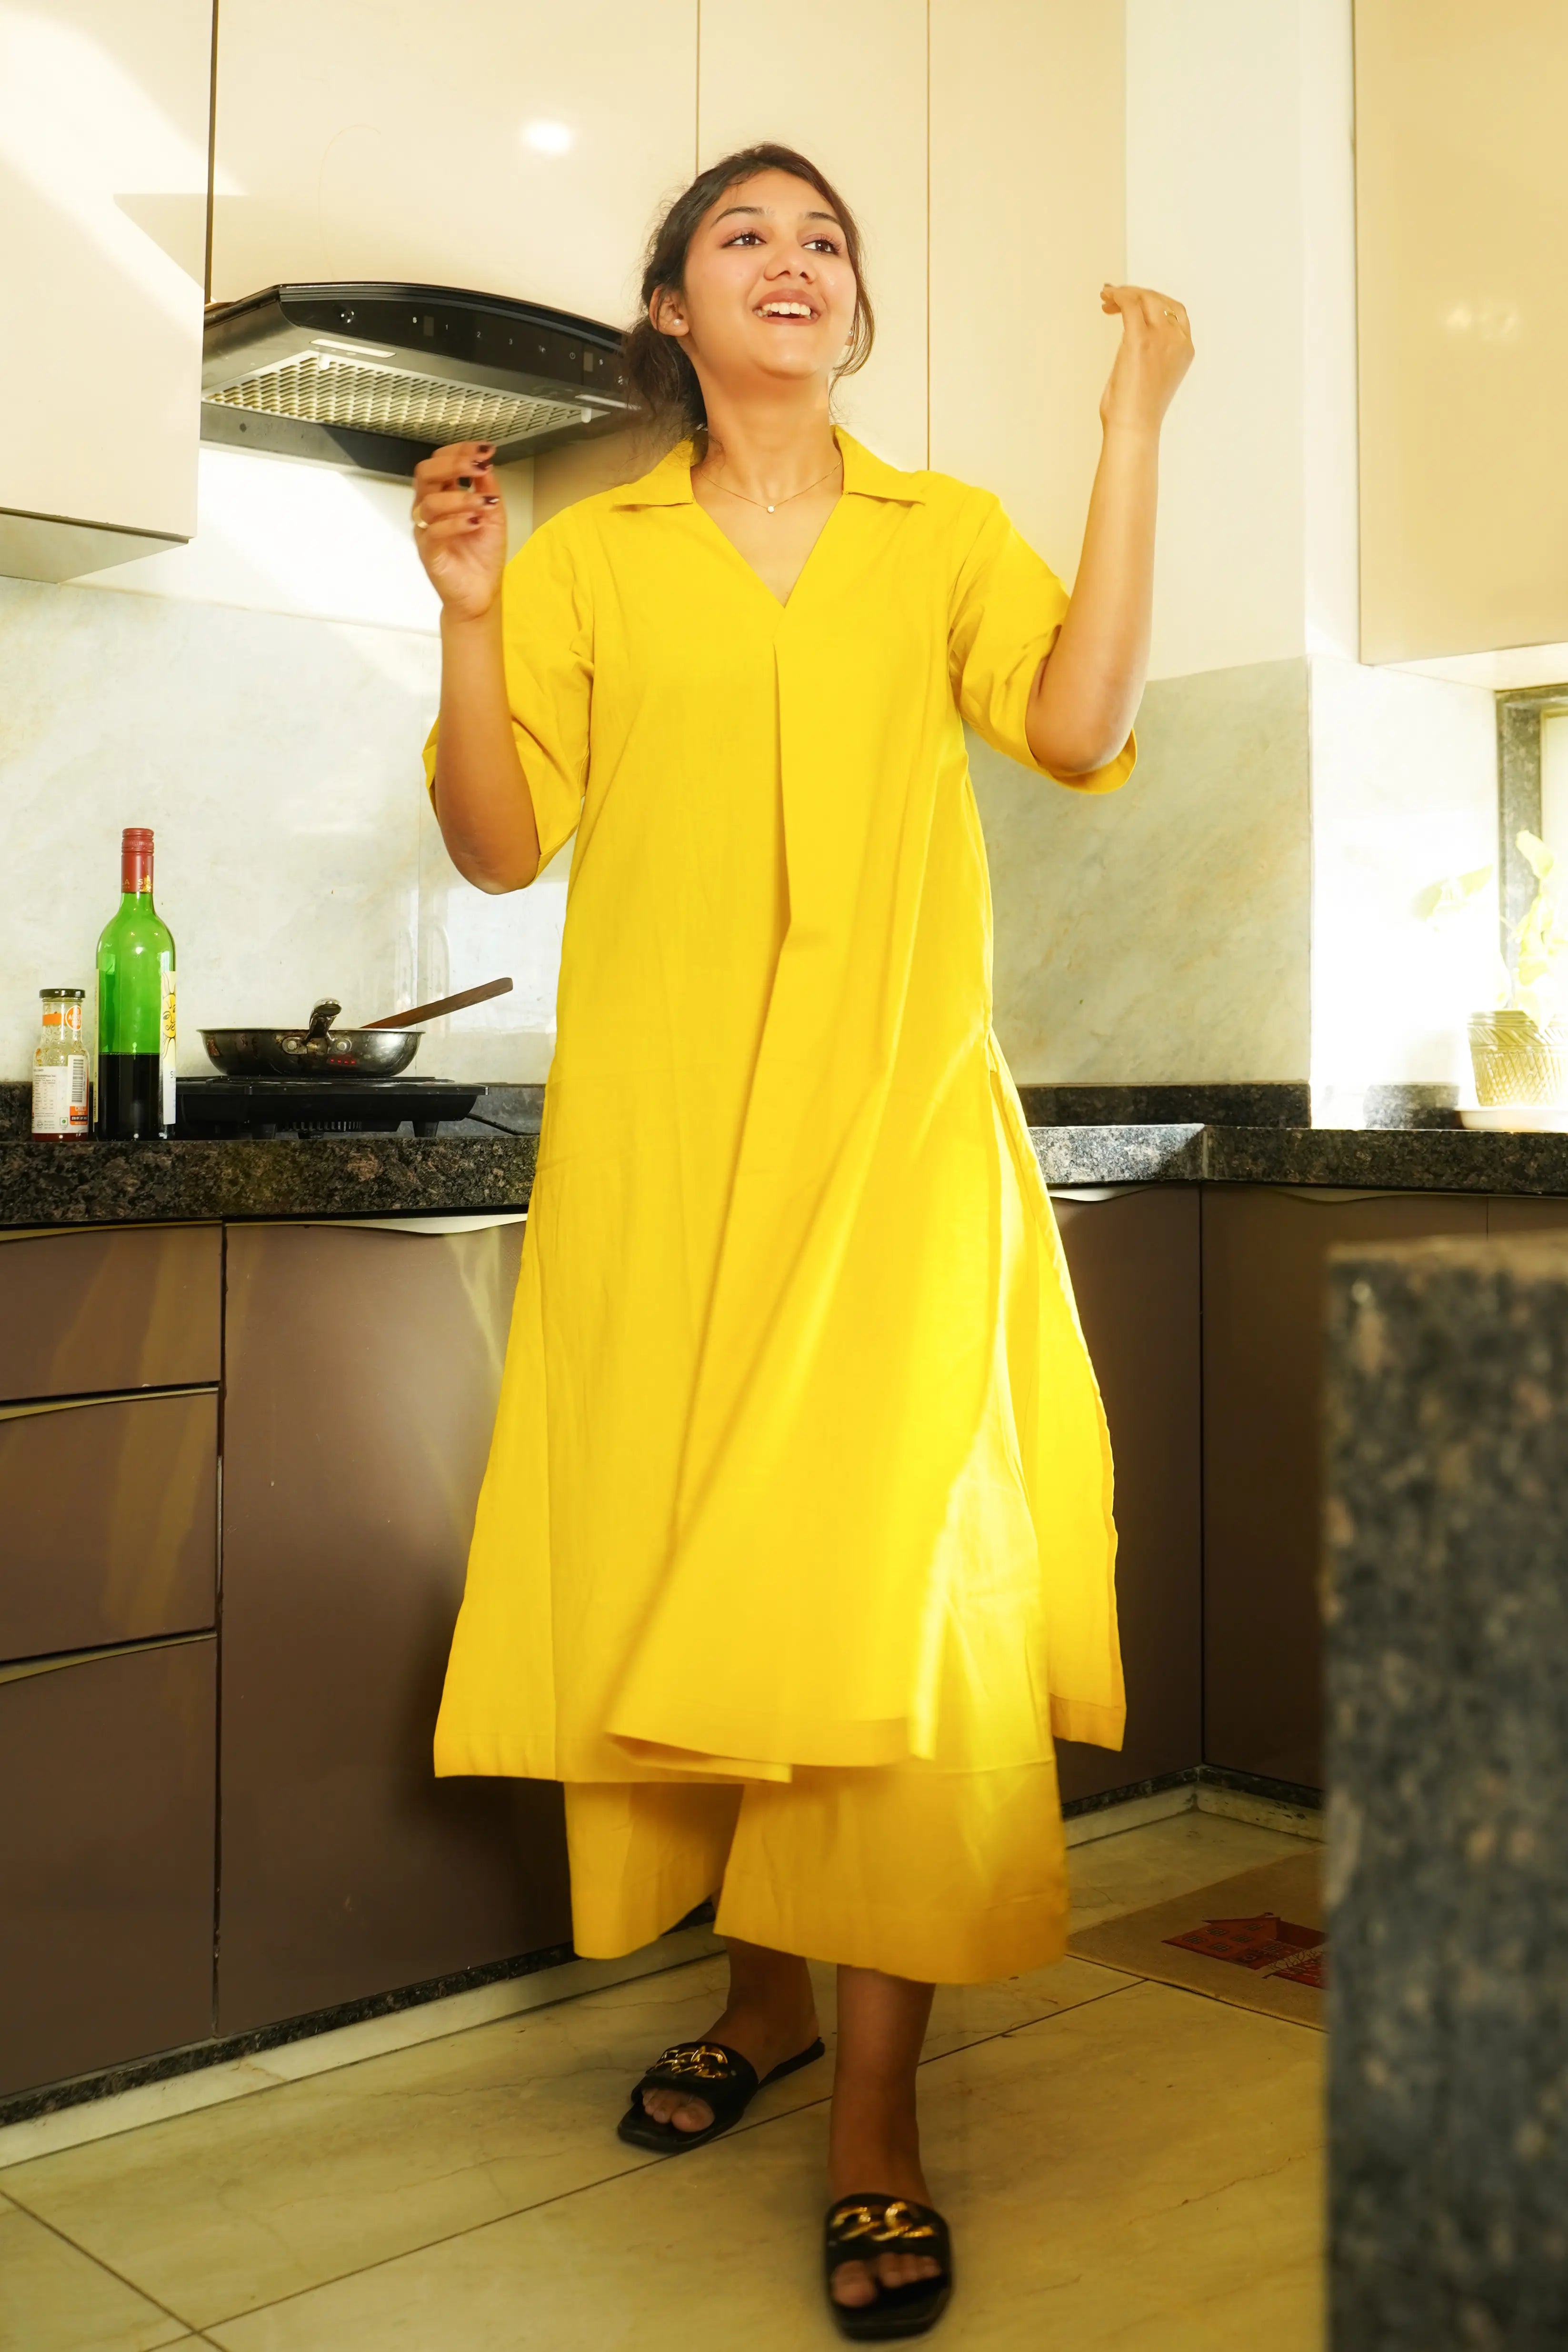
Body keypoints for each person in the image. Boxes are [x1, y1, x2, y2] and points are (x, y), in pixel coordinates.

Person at [413, 141, 1191, 2341]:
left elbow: (1072, 721)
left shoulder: (939, 534)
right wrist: (467, 621)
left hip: (888, 1145)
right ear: (671, 303)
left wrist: (1127, 435)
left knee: (889, 1606)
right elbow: (492, 846)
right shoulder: (581, 563)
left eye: (823, 240)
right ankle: (757, 2007)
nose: (790, 260)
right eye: (743, 234)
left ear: (848, 313)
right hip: (666, 1157)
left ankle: (872, 2113)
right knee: (710, 1559)